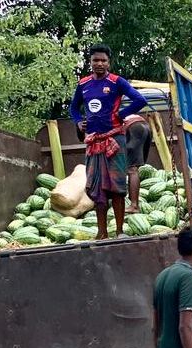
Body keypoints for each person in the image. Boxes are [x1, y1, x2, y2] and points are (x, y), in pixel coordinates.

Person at [69, 44, 148, 239]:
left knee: (117, 187)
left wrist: (121, 114)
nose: (99, 64)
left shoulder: (116, 82)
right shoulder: (83, 84)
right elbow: (73, 109)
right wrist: (79, 123)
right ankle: (101, 232)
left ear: (109, 63)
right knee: (97, 189)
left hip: (115, 139)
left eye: (103, 60)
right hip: (94, 143)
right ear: (90, 62)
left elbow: (140, 100)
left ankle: (120, 231)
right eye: (96, 60)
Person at [123, 113, 153, 213]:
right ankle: (132, 199)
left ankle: (134, 205)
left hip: (132, 127)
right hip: (144, 125)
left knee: (132, 169)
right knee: (133, 167)